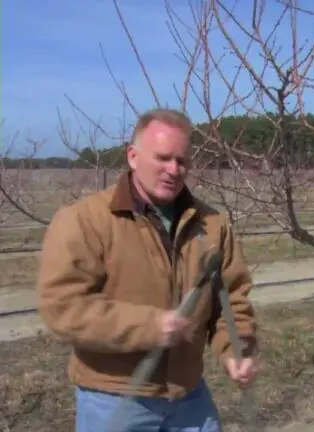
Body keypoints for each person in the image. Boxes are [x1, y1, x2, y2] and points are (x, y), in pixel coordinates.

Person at [36, 108, 259, 431]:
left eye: (181, 161)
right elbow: (63, 307)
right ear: (133, 156)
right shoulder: (83, 221)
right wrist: (149, 326)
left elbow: (233, 299)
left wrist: (235, 350)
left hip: (189, 397)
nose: (173, 170)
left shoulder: (212, 226)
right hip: (114, 396)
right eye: (163, 158)